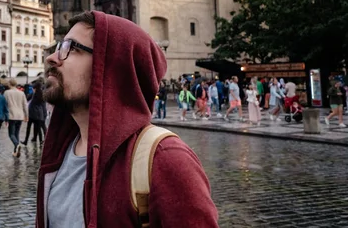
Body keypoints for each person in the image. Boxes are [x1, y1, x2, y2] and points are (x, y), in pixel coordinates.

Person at [37, 11, 218, 227]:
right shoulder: (61, 150)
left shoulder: (167, 159)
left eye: (71, 48)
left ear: (112, 67)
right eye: (59, 47)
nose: (52, 58)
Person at [4, 78, 28, 157]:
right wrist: (26, 115)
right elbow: (25, 105)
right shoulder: (21, 93)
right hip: (20, 116)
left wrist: (4, 116)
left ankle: (17, 145)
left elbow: (4, 105)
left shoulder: (6, 92)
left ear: (9, 84)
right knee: (16, 133)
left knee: (11, 134)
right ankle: (16, 151)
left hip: (11, 115)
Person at [23, 81, 48, 146]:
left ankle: (30, 141)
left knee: (35, 128)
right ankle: (39, 141)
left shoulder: (37, 95)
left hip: (34, 114)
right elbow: (43, 106)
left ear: (35, 88)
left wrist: (44, 115)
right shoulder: (39, 94)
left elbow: (32, 103)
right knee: (38, 128)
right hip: (38, 114)